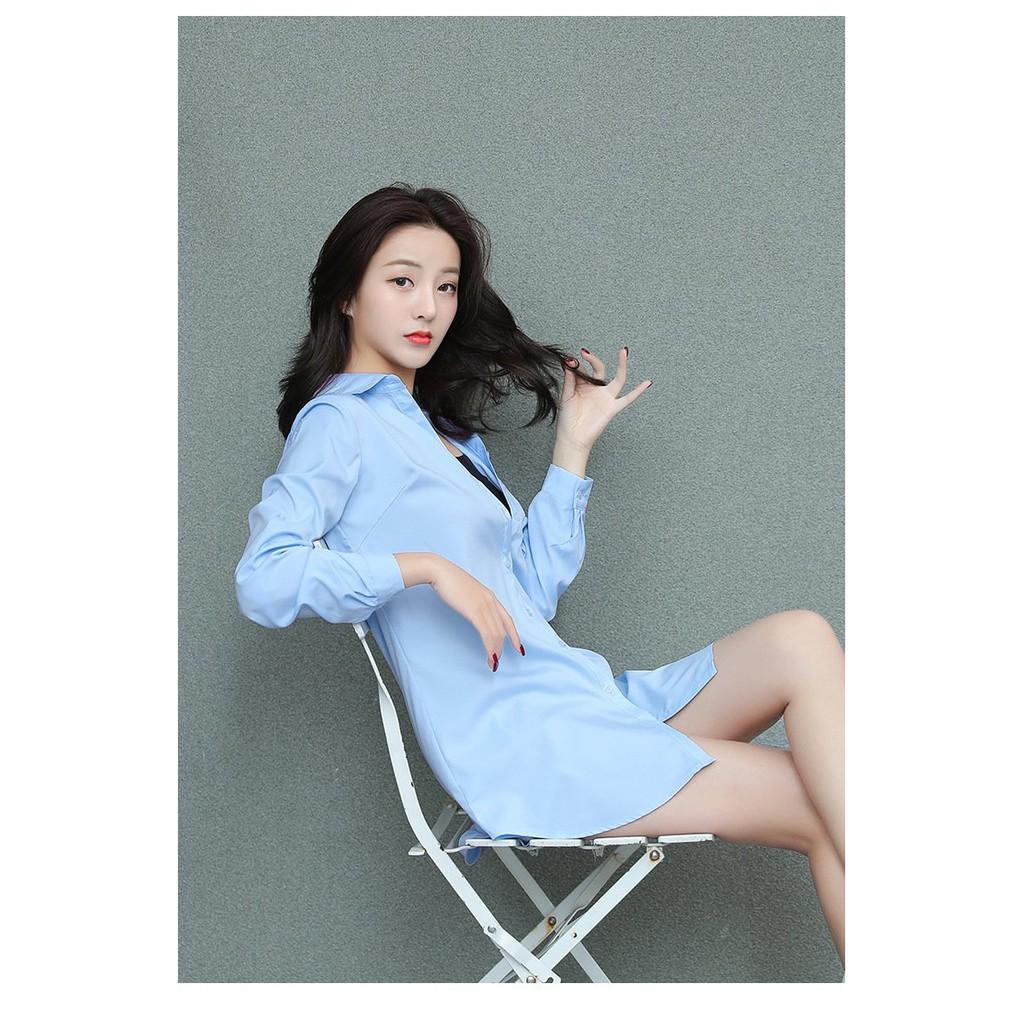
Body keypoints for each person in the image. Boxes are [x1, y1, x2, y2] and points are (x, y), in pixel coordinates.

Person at [233, 183, 844, 968]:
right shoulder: (338, 423)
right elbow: (264, 577)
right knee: (826, 805)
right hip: (523, 748)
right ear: (348, 295)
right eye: (402, 280)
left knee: (800, 638)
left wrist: (573, 447)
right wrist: (424, 569)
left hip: (580, 704)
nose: (428, 306)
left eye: (446, 286)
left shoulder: (448, 437)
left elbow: (530, 596)